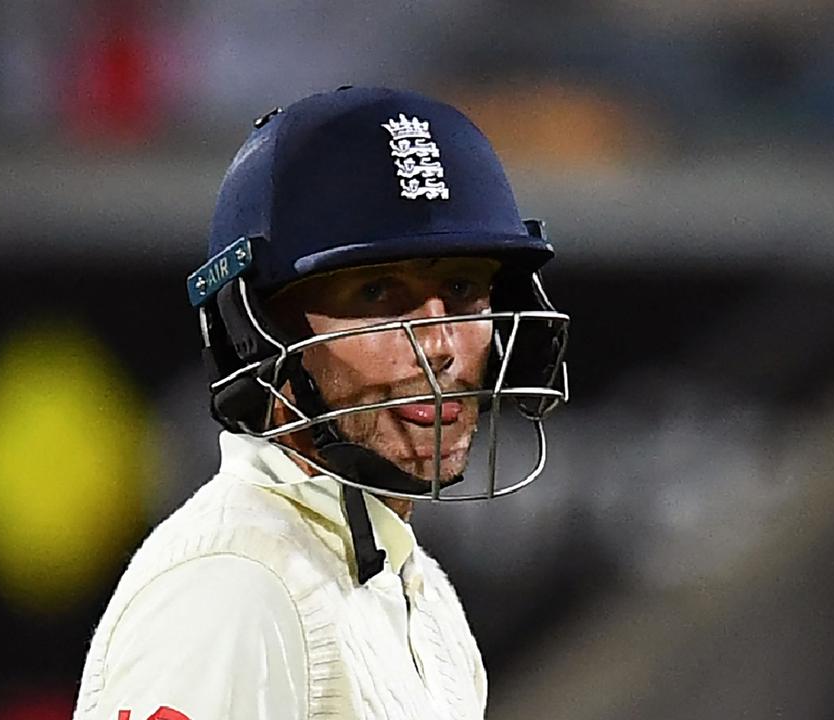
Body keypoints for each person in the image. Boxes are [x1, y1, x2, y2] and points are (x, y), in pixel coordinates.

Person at [72, 86, 570, 720]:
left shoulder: (419, 594)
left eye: (463, 287)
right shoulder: (233, 587)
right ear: (259, 335)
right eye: (379, 292)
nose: (439, 346)